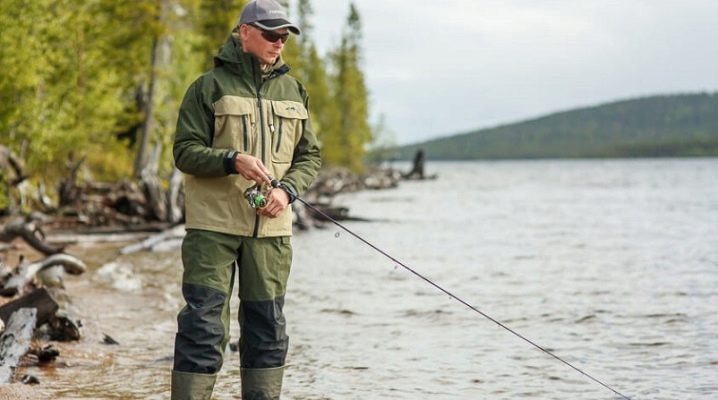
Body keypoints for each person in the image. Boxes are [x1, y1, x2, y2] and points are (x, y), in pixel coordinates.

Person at [170, 0, 321, 398]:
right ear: (245, 32)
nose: (279, 43)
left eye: (284, 36)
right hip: (212, 228)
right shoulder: (208, 87)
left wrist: (286, 191)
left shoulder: (295, 91)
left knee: (268, 329)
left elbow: (310, 156)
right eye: (271, 34)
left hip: (271, 231)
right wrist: (231, 159)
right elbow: (184, 151)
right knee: (202, 327)